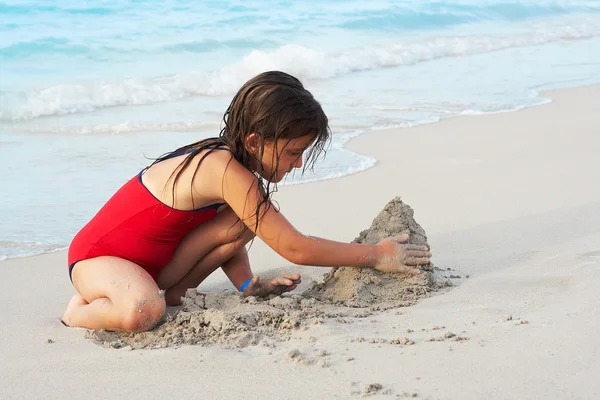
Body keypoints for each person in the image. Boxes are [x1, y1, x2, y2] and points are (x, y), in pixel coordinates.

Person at [61, 71, 431, 332]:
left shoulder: (237, 169)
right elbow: (294, 247)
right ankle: (77, 313)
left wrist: (246, 286)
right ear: (254, 141)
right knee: (143, 311)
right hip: (99, 259)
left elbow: (234, 236)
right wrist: (376, 254)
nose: (298, 163)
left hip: (160, 269)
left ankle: (173, 294)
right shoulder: (219, 167)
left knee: (249, 218)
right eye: (292, 152)